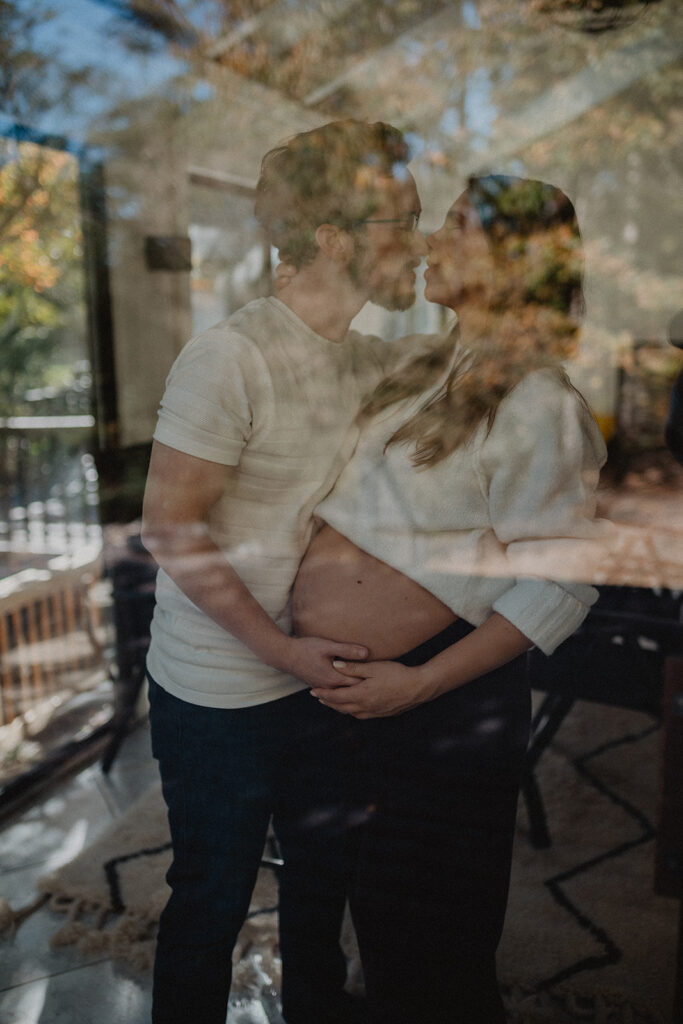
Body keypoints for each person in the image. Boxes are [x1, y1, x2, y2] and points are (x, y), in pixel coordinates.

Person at [291, 175, 611, 1023]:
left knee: (433, 946)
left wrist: (421, 685)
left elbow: (562, 581)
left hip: (438, 702)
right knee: (379, 926)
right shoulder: (422, 369)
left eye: (457, 226)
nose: (432, 240)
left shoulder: (538, 401)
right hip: (356, 702)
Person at [141, 119, 427, 1024]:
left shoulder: (368, 358)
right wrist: (278, 650)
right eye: (403, 222)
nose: (417, 245)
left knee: (320, 892)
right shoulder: (229, 357)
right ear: (336, 238)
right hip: (219, 694)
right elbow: (167, 528)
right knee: (211, 903)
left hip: (320, 681)